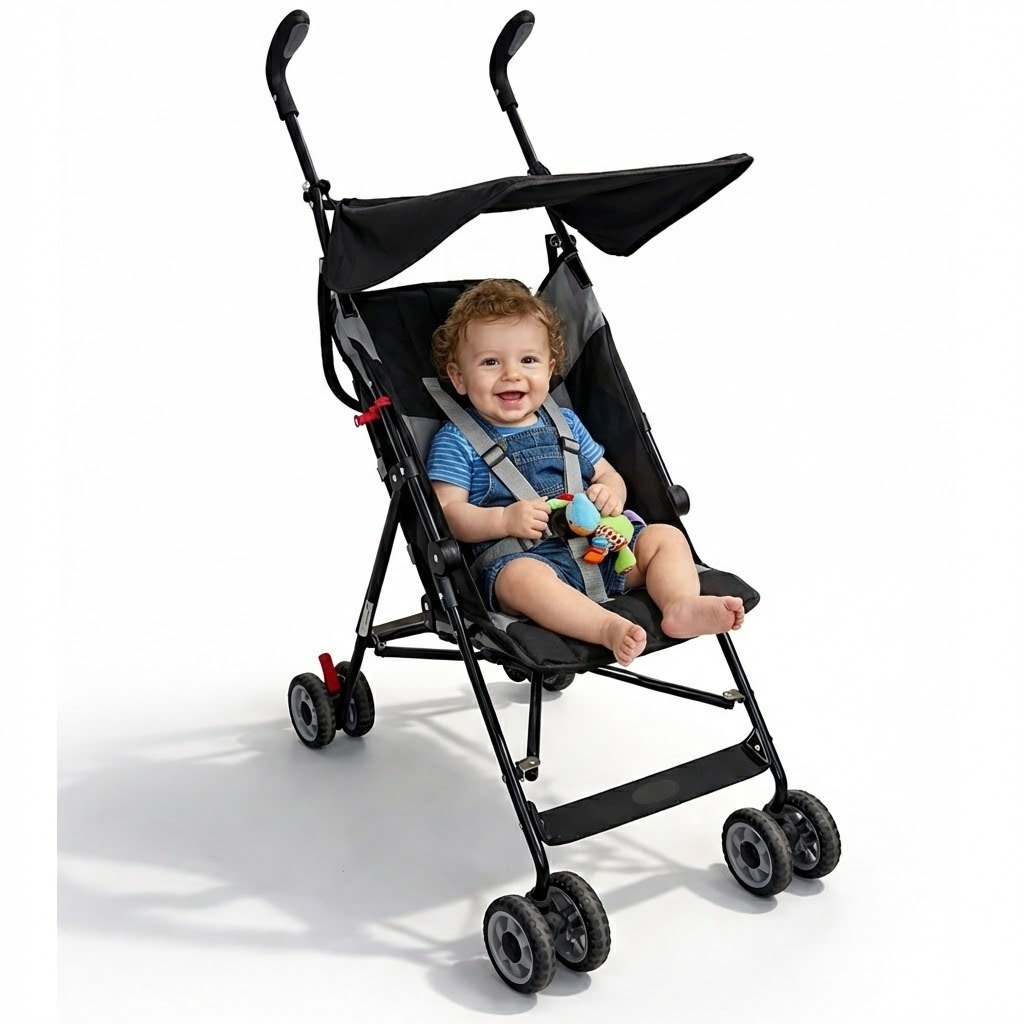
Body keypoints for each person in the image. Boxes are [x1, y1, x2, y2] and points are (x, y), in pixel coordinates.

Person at [426, 279, 744, 666]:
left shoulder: (566, 423)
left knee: (665, 536)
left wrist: (610, 492)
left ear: (550, 369)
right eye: (491, 362)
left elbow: (609, 475)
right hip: (528, 559)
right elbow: (446, 513)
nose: (511, 374)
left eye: (528, 361)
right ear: (459, 377)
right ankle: (606, 627)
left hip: (604, 551)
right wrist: (503, 519)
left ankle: (680, 605)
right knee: (521, 580)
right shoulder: (456, 440)